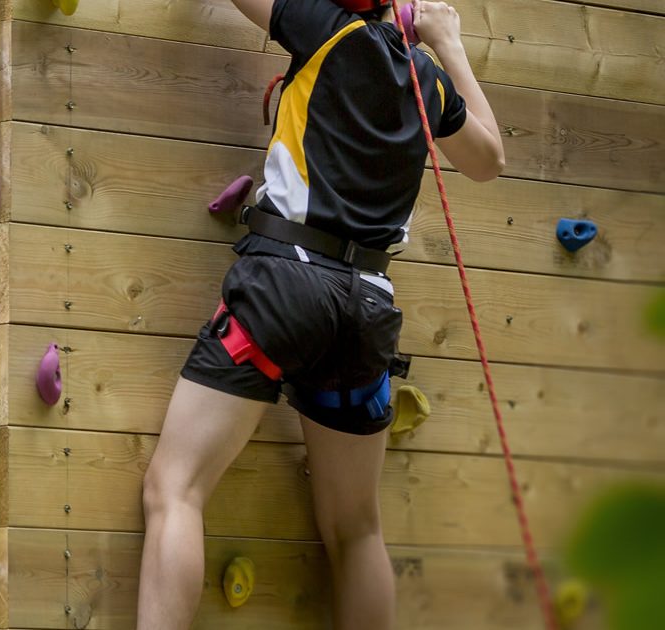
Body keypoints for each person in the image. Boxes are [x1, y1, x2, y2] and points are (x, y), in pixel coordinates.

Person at [135, 1, 503, 628]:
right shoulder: (427, 78)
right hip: (366, 310)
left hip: (285, 284)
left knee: (175, 489)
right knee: (357, 529)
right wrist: (447, 41)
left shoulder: (324, 26)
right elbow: (488, 159)